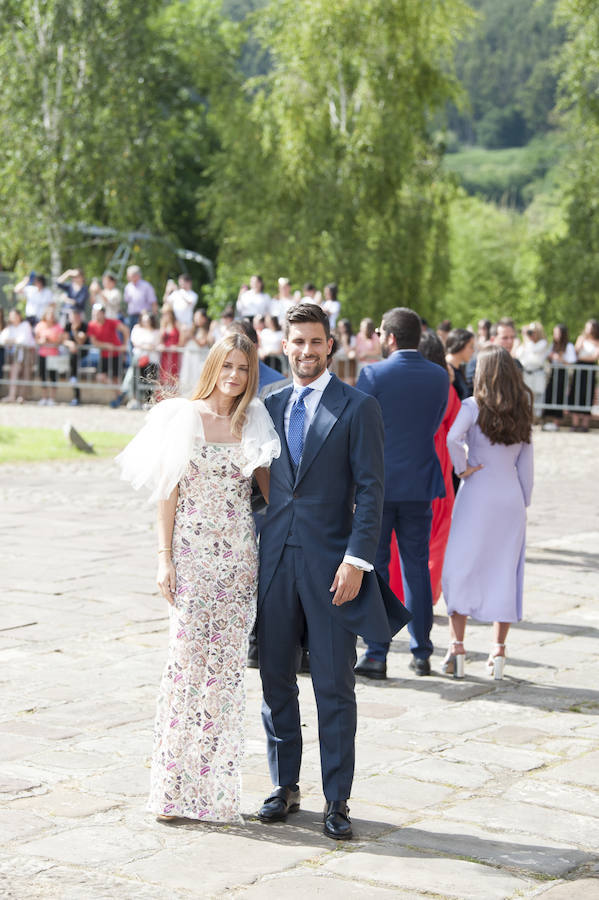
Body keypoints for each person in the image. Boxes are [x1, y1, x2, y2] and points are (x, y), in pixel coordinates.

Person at [256, 303, 409, 841]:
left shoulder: (358, 406)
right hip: (273, 563)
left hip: (332, 569)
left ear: (331, 345)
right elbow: (254, 484)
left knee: (333, 686)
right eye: (297, 341)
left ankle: (336, 799)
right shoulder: (267, 405)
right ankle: (284, 786)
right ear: (285, 345)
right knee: (275, 676)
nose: (305, 351)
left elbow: (372, 489)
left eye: (315, 342)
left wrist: (357, 560)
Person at [116, 333, 280, 823]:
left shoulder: (253, 419)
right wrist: (163, 558)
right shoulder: (182, 416)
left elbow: (273, 496)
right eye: (227, 366)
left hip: (237, 563)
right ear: (213, 366)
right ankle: (171, 790)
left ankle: (212, 794)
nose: (234, 376)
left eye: (244, 369)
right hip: (190, 557)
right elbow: (167, 492)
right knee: (185, 666)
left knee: (225, 676)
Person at [354, 307, 448, 679]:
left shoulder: (374, 373)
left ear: (390, 338)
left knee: (376, 567)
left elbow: (358, 426)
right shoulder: (439, 376)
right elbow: (435, 419)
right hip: (419, 483)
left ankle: (376, 652)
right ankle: (421, 651)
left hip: (379, 484)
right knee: (416, 567)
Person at [441, 346, 534, 679]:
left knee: (460, 566)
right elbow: (527, 464)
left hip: (478, 493)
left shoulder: (472, 406)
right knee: (505, 570)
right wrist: (522, 500)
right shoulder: (523, 410)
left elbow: (453, 438)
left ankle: (457, 646)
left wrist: (463, 467)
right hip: (509, 495)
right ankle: (498, 651)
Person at [542, 324, 577, 430]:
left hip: (562, 373)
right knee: (549, 394)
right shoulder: (553, 345)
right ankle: (546, 421)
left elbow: (572, 362)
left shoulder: (569, 346)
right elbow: (546, 356)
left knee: (559, 396)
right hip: (553, 372)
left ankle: (556, 422)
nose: (555, 335)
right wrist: (551, 357)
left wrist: (560, 359)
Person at [569, 319, 599, 432]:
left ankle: (585, 424)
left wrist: (582, 358)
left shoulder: (597, 341)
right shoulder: (581, 339)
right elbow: (575, 353)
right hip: (579, 369)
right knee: (576, 394)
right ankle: (575, 423)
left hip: (589, 370)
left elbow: (595, 357)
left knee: (587, 395)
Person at [0, 309, 35, 402]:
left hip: (26, 353)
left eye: (14, 315)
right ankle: (12, 395)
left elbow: (23, 340)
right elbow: (2, 339)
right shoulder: (9, 328)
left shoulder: (25, 325)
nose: (13, 318)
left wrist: (11, 340)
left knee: (25, 374)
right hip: (15, 355)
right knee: (14, 374)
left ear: (19, 316)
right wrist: (14, 340)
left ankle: (22, 396)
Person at [516, 322, 548, 418]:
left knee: (538, 395)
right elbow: (518, 354)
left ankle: (536, 417)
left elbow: (534, 349)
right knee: (526, 395)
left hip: (538, 372)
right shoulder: (525, 344)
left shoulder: (542, 343)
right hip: (526, 373)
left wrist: (526, 339)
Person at [34, 305, 64, 405]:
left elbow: (60, 341)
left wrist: (50, 341)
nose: (51, 317)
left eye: (52, 315)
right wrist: (41, 341)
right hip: (42, 354)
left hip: (53, 355)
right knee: (43, 376)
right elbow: (36, 340)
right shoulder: (40, 325)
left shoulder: (58, 327)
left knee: (52, 377)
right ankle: (44, 397)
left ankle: (52, 398)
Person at [63, 309, 89, 406]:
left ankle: (73, 378)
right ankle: (73, 378)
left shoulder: (84, 326)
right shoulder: (67, 325)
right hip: (72, 354)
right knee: (72, 357)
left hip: (82, 353)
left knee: (74, 358)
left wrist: (74, 331)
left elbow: (81, 341)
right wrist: (71, 344)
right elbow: (64, 340)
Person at [123, 265, 158, 331]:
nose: (128, 277)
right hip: (132, 316)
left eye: (130, 275)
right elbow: (126, 301)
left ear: (137, 275)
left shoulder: (146, 286)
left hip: (144, 316)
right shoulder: (128, 287)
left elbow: (153, 302)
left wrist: (154, 316)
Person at [445, 328, 475, 401]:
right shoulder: (446, 371)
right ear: (460, 345)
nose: (473, 351)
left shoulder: (458, 368)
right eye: (471, 346)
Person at [158, 306, 181, 384]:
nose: (165, 315)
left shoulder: (176, 324)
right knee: (163, 374)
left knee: (173, 373)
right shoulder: (163, 324)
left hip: (174, 353)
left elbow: (182, 336)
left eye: (166, 313)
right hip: (165, 353)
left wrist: (178, 345)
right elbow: (160, 339)